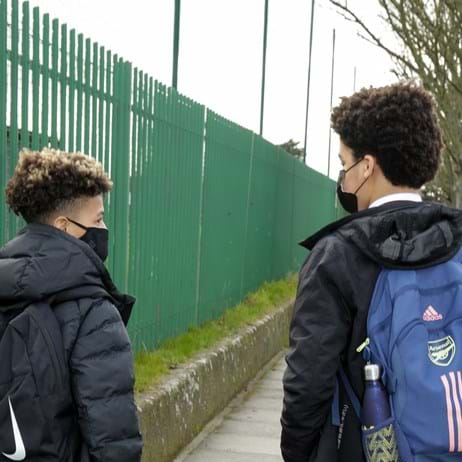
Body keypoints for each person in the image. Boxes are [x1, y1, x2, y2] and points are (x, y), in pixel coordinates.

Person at [280, 83, 461, 461]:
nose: (343, 178)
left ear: (367, 166)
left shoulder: (336, 256)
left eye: (344, 164)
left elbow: (307, 384)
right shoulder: (456, 240)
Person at [0, 149, 143, 461]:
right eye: (98, 219)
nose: (103, 229)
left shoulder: (6, 286)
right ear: (64, 226)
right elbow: (113, 438)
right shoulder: (93, 311)